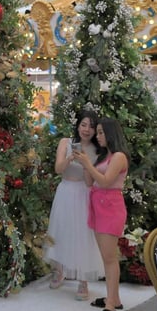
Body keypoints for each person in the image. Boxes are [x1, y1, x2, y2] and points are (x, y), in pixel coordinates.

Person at [73, 117, 129, 311]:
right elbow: (90, 182)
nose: (98, 136)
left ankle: (111, 306)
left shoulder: (119, 157)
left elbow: (106, 182)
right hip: (98, 206)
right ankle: (114, 298)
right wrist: (85, 164)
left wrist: (88, 163)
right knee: (106, 256)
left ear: (111, 133)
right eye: (97, 132)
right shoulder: (104, 157)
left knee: (109, 258)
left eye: (101, 132)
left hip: (110, 207)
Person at [45, 110, 103, 301]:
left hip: (83, 194)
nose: (87, 129)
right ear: (78, 125)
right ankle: (59, 270)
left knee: (82, 234)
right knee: (61, 231)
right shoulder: (65, 142)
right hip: (65, 191)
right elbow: (58, 169)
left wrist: (86, 162)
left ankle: (83, 280)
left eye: (91, 126)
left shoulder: (96, 150)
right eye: (84, 124)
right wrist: (71, 157)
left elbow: (89, 182)